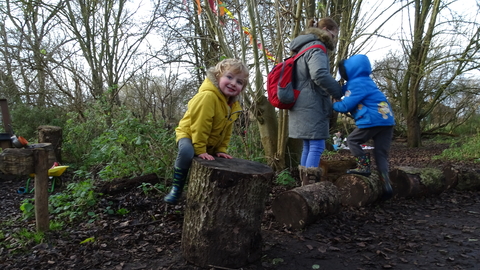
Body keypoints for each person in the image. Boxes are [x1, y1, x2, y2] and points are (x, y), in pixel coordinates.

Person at [164, 58, 249, 204]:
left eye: (239, 82)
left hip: (209, 139)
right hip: (190, 135)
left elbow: (227, 130)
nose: (233, 83)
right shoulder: (208, 97)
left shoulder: (232, 105)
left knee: (219, 162)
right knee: (187, 152)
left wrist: (221, 149)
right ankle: (176, 188)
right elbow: (200, 125)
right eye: (229, 77)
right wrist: (200, 149)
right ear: (217, 77)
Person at [288, 17, 343, 185]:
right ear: (326, 30)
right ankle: (309, 189)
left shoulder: (302, 47)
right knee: (317, 145)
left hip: (300, 103)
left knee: (308, 146)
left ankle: (304, 189)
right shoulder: (317, 48)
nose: (335, 39)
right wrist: (337, 91)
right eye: (334, 35)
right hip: (312, 104)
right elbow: (319, 74)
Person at [332, 54, 395, 200]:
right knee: (380, 153)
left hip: (372, 120)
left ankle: (363, 167)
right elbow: (347, 90)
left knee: (352, 140)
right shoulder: (366, 81)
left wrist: (334, 104)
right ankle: (386, 183)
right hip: (387, 120)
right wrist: (337, 88)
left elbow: (346, 105)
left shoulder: (356, 84)